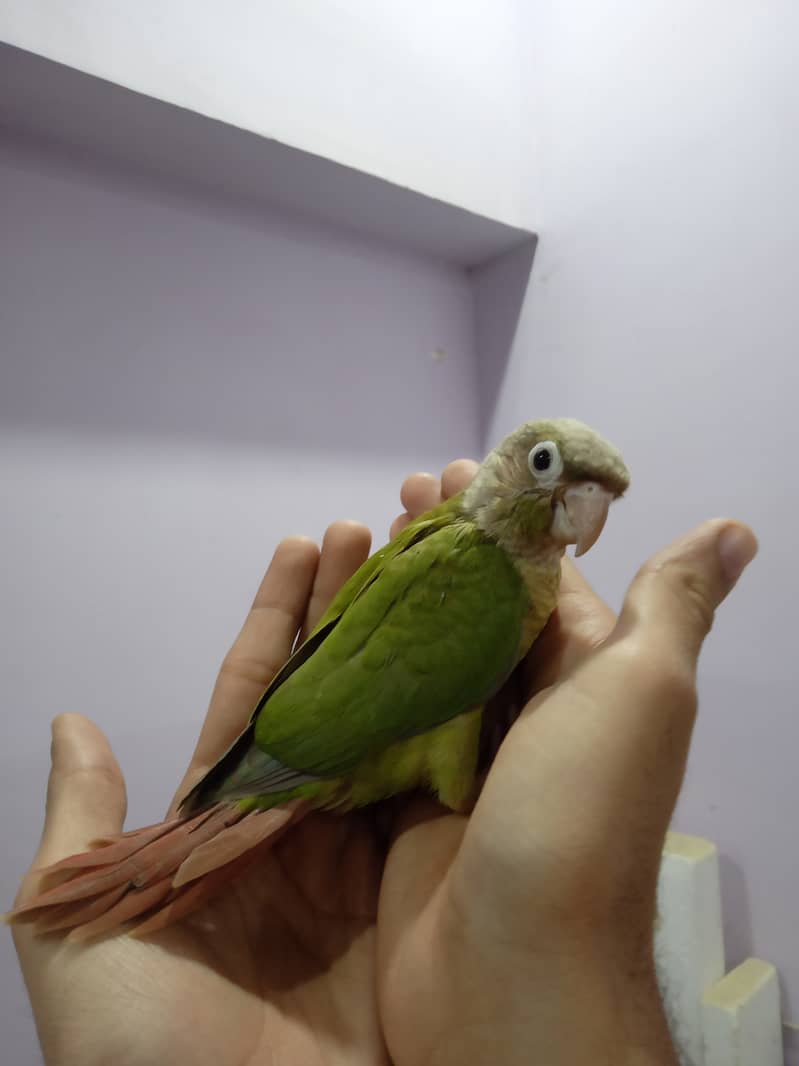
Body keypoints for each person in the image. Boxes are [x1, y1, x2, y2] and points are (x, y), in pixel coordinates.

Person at [10, 459, 757, 1066]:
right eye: (547, 467)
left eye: (600, 496)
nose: (582, 504)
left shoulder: (487, 567)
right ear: (509, 470)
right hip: (336, 751)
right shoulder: (479, 569)